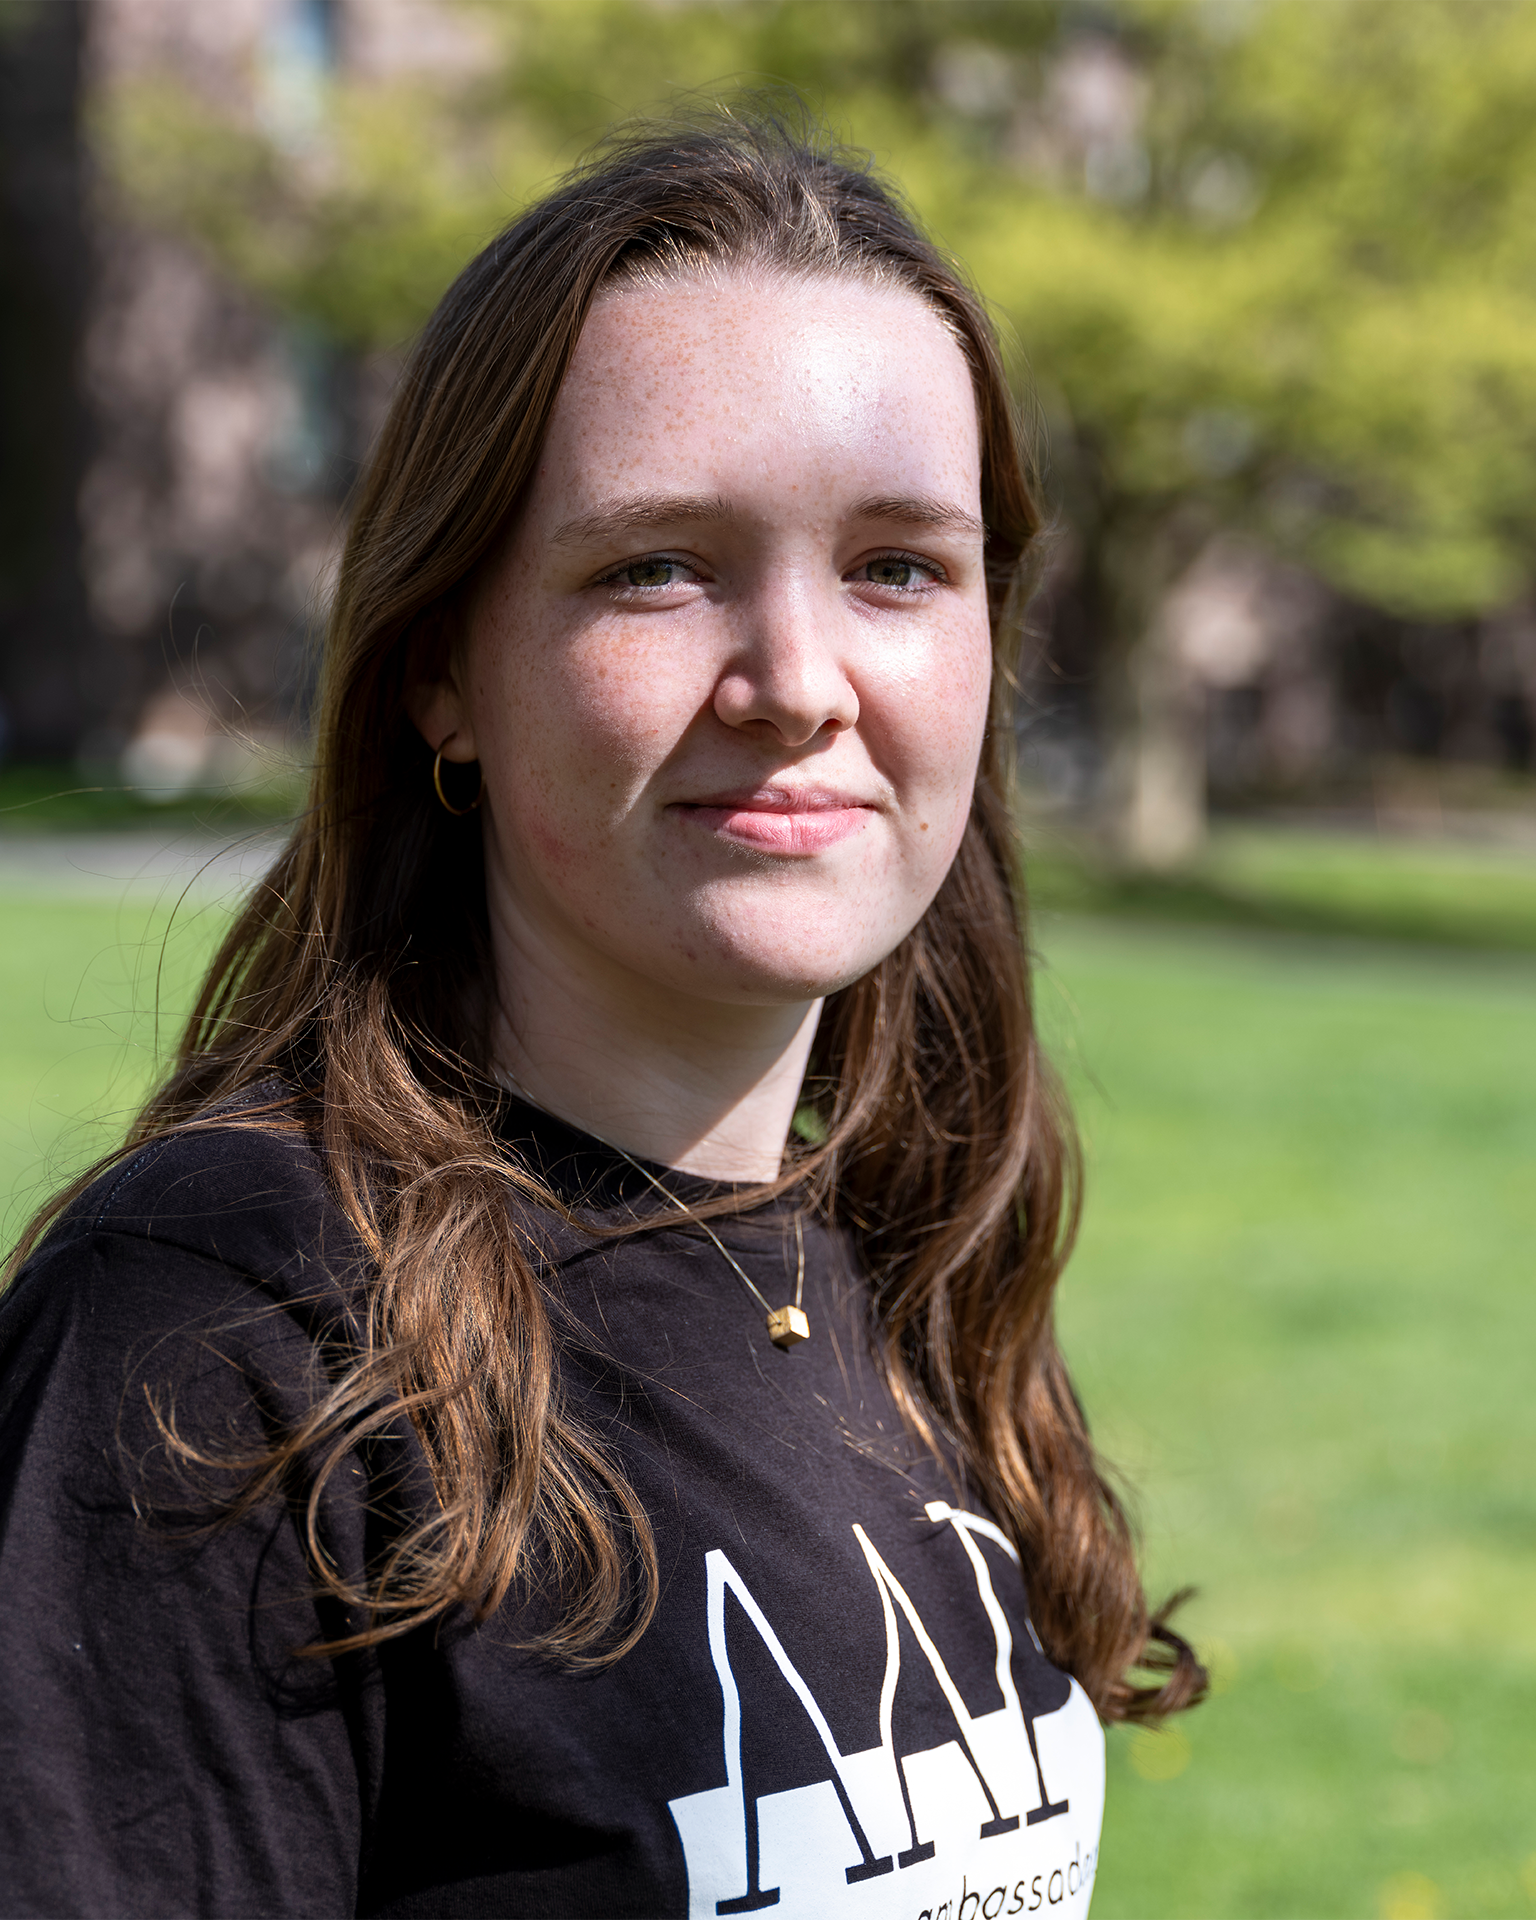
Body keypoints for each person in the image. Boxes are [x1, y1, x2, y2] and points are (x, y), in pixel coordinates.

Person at [0, 118, 1203, 1918]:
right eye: (657, 566)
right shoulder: (220, 1334)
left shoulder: (903, 1246)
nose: (801, 683)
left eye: (897, 567)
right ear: (440, 670)